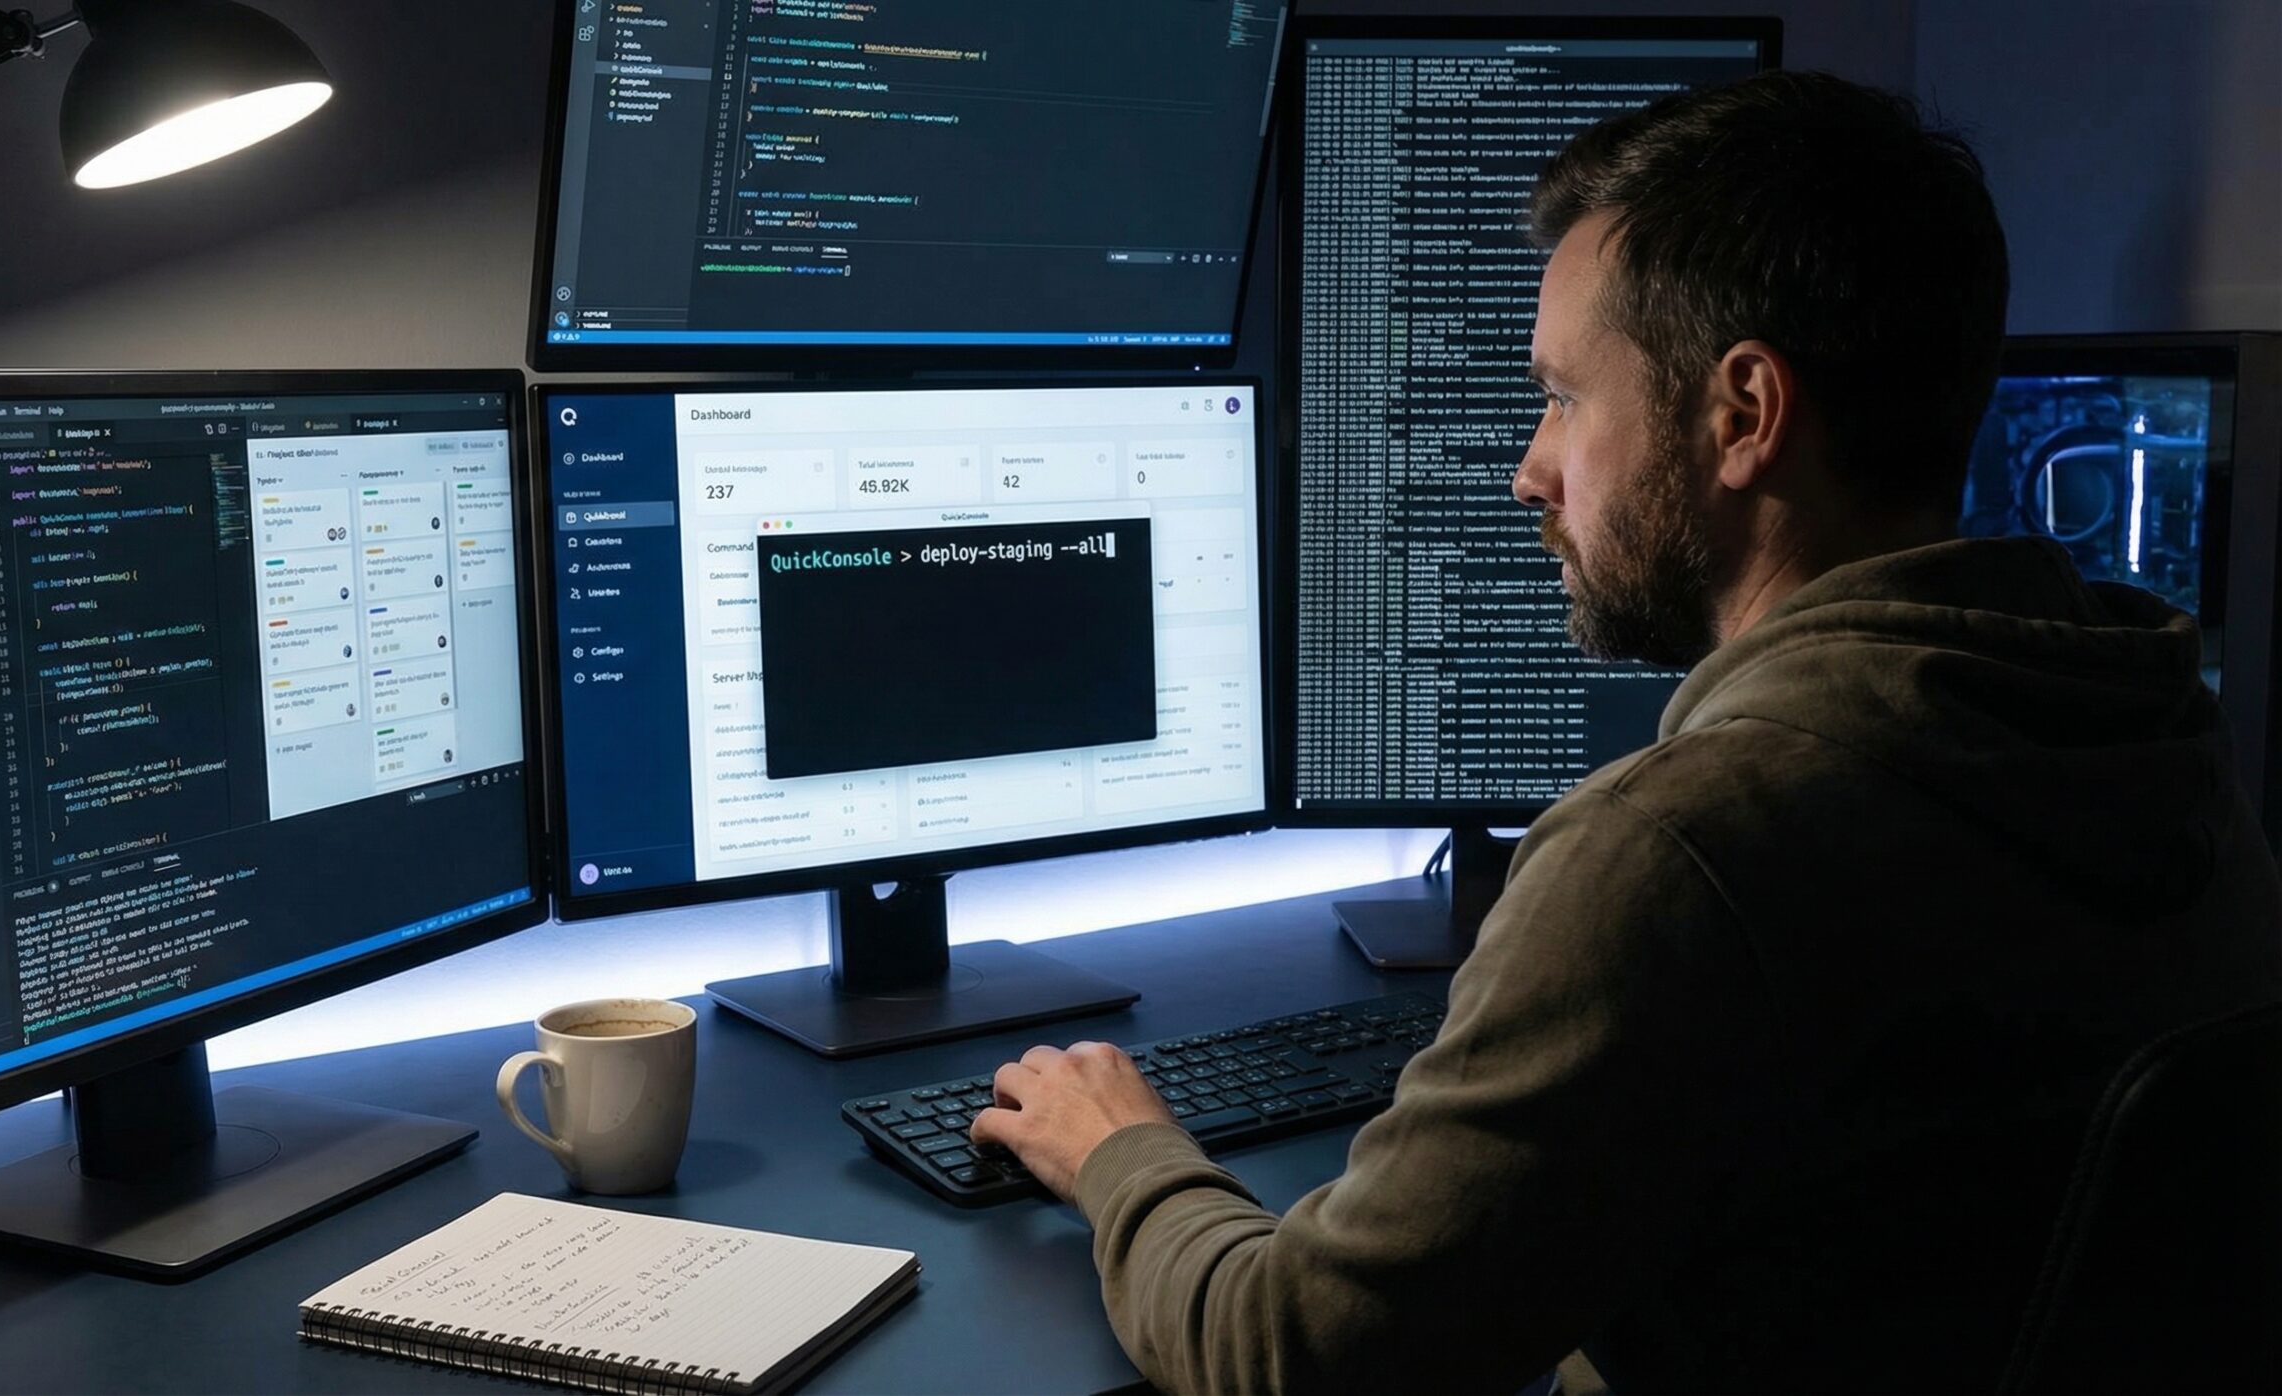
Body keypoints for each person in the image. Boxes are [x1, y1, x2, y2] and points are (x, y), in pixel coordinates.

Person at [967, 71, 2282, 1393]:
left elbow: (1298, 1355)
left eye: (1566, 398)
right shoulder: (2160, 739)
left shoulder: (1686, 853)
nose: (1531, 469)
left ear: (1743, 415)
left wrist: (1120, 1150)